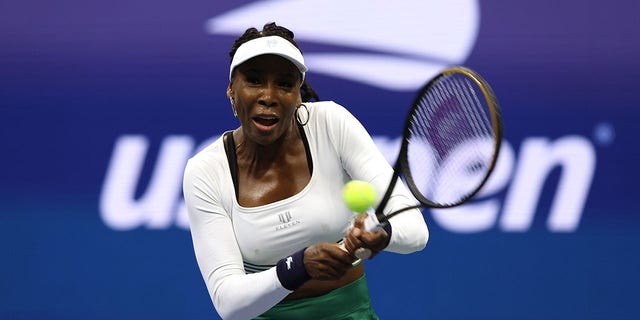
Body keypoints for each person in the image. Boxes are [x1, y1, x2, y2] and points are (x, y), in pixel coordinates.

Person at [183, 22, 429, 320]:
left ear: (299, 94)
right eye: (254, 80)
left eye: (285, 83)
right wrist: (299, 267)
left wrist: (382, 234)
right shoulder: (206, 171)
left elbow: (415, 230)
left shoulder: (332, 123)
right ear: (231, 90)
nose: (268, 95)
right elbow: (229, 303)